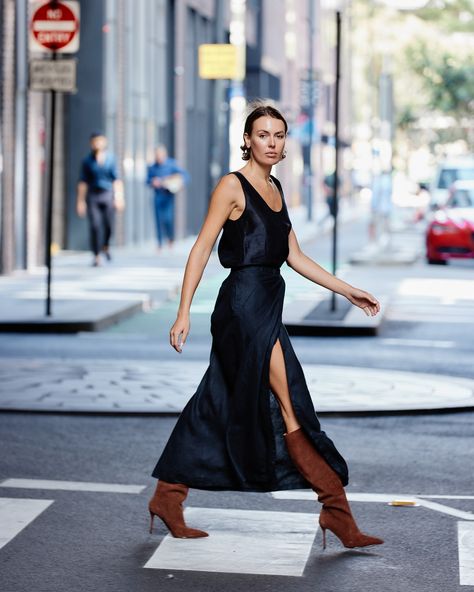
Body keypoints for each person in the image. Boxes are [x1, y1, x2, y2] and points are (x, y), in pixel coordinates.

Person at [148, 104, 384, 550]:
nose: (272, 142)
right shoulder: (231, 186)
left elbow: (294, 256)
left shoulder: (275, 187)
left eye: (278, 135)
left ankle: (167, 497)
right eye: (263, 134)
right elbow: (201, 249)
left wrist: (347, 290)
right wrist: (183, 312)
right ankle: (337, 513)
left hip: (266, 304)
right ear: (248, 139)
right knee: (292, 402)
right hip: (242, 308)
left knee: (218, 400)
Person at [76, 132, 125, 266]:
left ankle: (105, 245)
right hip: (93, 195)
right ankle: (96, 255)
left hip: (107, 194)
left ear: (104, 142)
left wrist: (119, 197)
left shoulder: (111, 159)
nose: (97, 144)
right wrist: (80, 201)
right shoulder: (87, 161)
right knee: (95, 225)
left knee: (109, 224)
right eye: (94, 141)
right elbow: (82, 182)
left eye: (99, 141)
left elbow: (117, 180)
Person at [146, 145, 189, 252]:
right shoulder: (152, 167)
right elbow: (147, 180)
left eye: (160, 155)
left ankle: (170, 238)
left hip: (168, 196)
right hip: (157, 196)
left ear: (164, 155)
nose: (158, 157)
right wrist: (152, 182)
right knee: (158, 219)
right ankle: (160, 243)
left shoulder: (171, 164)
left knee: (168, 219)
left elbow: (185, 176)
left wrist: (177, 182)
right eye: (157, 155)